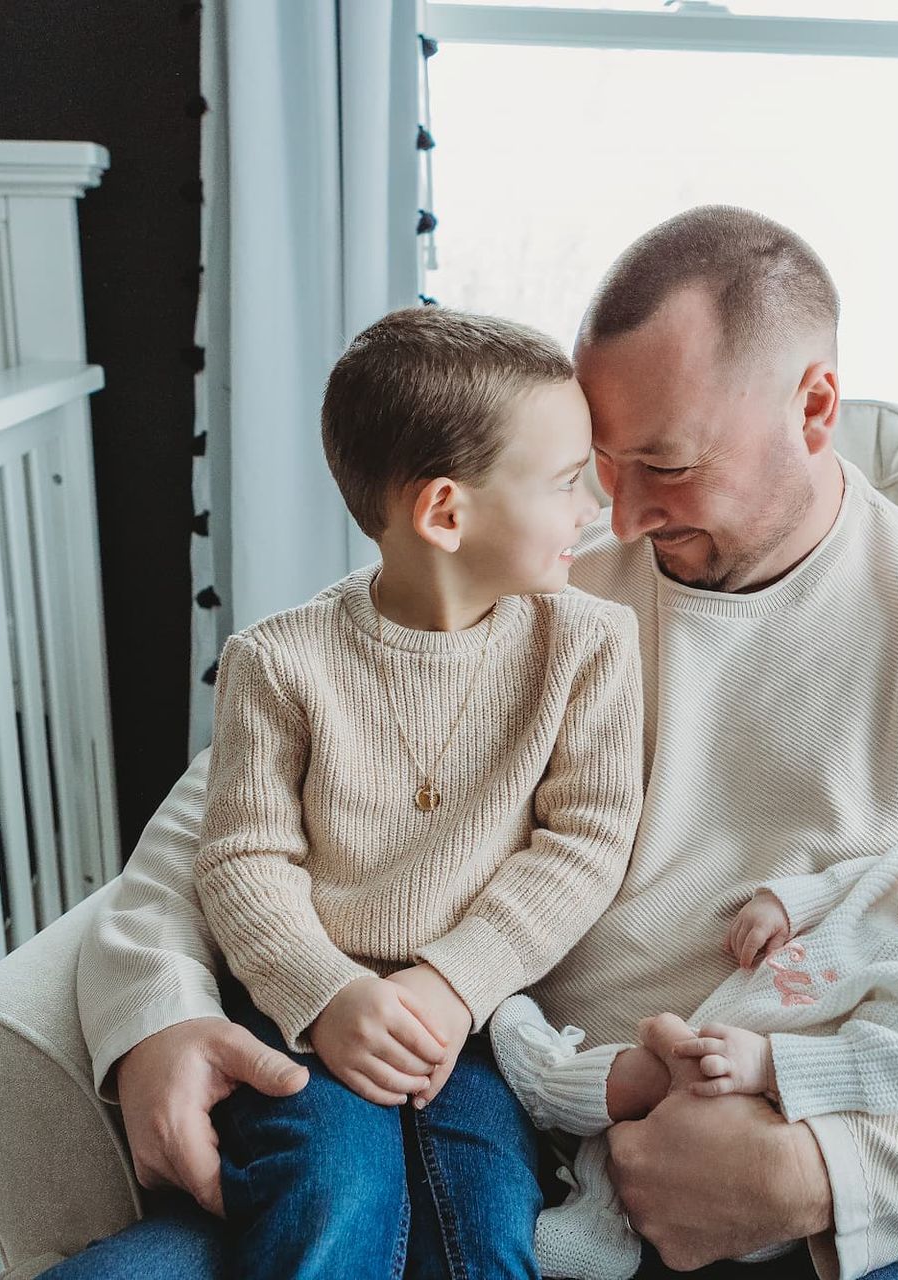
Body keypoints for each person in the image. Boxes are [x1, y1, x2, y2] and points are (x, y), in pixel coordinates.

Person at [62, 205, 898, 1280]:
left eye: (666, 463)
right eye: (596, 465)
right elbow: (230, 806)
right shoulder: (536, 575)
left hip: (774, 1178)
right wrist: (155, 1015)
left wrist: (821, 1175)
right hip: (499, 1119)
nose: (624, 511)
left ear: (814, 409)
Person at [196, 307, 645, 1278]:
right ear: (445, 511)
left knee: (490, 1218)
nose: (593, 508)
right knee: (330, 1195)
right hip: (310, 1012)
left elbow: (585, 842)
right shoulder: (277, 663)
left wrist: (452, 982)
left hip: (480, 1017)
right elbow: (241, 859)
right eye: (568, 482)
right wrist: (327, 994)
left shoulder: (589, 647)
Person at [489, 770, 898, 1279]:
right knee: (663, 1064)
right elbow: (853, 880)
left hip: (773, 1103)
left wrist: (772, 1067)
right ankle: (580, 1158)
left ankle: (577, 1152)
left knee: (656, 1082)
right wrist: (784, 905)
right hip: (743, 1017)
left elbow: (880, 1063)